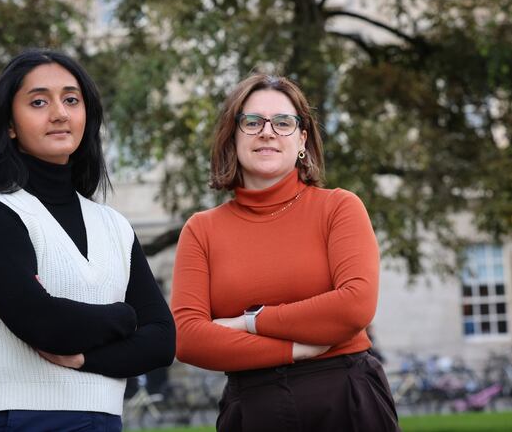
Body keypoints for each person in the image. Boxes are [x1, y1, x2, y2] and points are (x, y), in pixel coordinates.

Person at [0, 49, 175, 432]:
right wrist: (126, 317)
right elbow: (45, 324)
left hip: (104, 419)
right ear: (10, 124)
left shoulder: (113, 226)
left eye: (71, 99)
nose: (59, 113)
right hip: (16, 420)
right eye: (38, 102)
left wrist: (85, 359)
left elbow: (163, 342)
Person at [171, 73, 400, 431]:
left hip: (345, 400)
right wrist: (293, 349)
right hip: (252, 408)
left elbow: (354, 305)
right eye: (252, 122)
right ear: (232, 136)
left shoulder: (338, 207)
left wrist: (249, 322)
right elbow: (187, 337)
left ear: (302, 139)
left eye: (283, 122)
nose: (267, 132)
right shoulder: (201, 229)